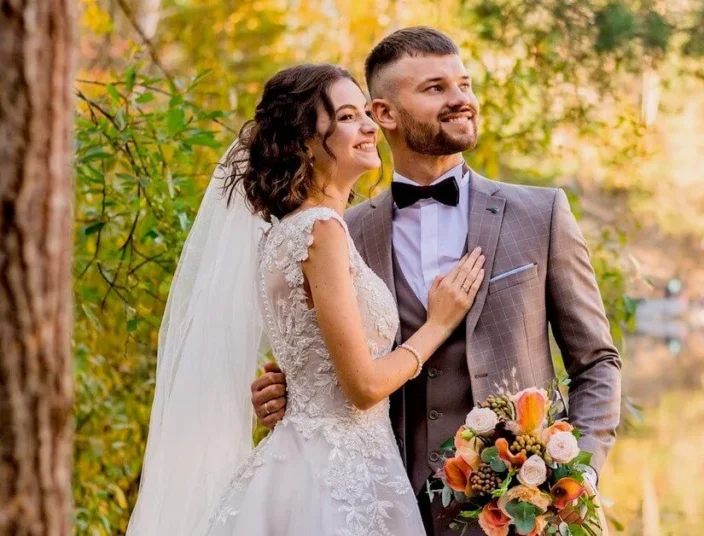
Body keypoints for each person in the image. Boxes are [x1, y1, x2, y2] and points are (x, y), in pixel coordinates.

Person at [249, 27, 622, 535]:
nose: (460, 100)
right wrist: (291, 390)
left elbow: (597, 362)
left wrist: (576, 473)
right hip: (381, 501)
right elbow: (338, 362)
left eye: (464, 84)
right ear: (385, 114)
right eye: (435, 88)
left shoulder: (541, 214)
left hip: (520, 514)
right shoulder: (339, 231)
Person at [127, 63, 486, 535]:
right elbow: (360, 387)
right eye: (346, 117)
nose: (368, 127)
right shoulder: (321, 231)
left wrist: (286, 387)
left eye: (365, 114)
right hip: (337, 478)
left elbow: (310, 361)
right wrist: (437, 325)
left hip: (307, 460)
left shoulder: (286, 234)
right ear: (304, 140)